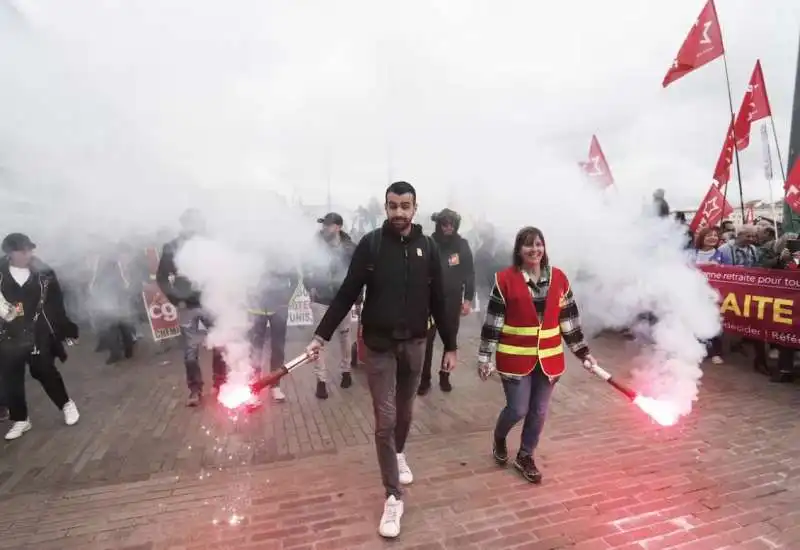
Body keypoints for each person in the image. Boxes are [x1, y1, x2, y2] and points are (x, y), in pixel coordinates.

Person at [305, 181, 457, 539]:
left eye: (405, 206)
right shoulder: (371, 246)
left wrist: (451, 345)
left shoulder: (428, 247)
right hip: (378, 347)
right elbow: (347, 293)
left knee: (405, 411)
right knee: (384, 419)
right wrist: (321, 335)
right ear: (385, 208)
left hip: (416, 344)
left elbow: (441, 299)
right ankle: (393, 496)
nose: (399, 213)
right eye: (393, 206)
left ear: (415, 208)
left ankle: (399, 453)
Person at [477, 226, 596, 483]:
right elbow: (493, 323)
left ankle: (525, 455)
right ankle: (499, 437)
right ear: (519, 251)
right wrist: (485, 356)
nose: (534, 249)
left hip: (549, 359)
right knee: (518, 409)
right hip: (514, 358)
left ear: (545, 248)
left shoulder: (559, 278)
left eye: (539, 244)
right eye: (528, 245)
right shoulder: (504, 280)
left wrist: (583, 353)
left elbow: (569, 322)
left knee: (539, 411)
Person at [0, 233, 80, 440]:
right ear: (10, 253)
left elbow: (56, 302)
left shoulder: (43, 272)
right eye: (22, 250)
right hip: (8, 333)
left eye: (29, 249)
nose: (28, 254)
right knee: (11, 378)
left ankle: (66, 404)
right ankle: (21, 419)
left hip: (38, 329)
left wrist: (65, 328)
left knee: (44, 370)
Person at [157, 209, 227, 406]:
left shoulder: (210, 244)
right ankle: (195, 389)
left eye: (198, 222)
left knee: (220, 345)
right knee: (190, 351)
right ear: (184, 224)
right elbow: (162, 277)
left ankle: (221, 384)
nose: (196, 227)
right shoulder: (171, 247)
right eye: (192, 223)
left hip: (211, 302)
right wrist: (174, 298)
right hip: (187, 306)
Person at [419, 208, 475, 395]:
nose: (448, 228)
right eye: (444, 224)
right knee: (426, 342)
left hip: (452, 302)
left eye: (451, 224)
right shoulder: (429, 243)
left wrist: (468, 299)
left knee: (449, 340)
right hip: (428, 303)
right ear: (439, 224)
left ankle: (444, 375)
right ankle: (424, 379)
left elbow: (469, 273)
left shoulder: (462, 245)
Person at [304, 212, 357, 399]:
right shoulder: (314, 245)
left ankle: (346, 371)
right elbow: (305, 265)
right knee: (319, 341)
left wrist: (356, 297)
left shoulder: (350, 248)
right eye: (323, 224)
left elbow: (357, 274)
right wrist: (309, 286)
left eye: (328, 224)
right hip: (320, 299)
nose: (324, 228)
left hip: (342, 300)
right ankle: (321, 381)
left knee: (344, 337)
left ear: (338, 227)